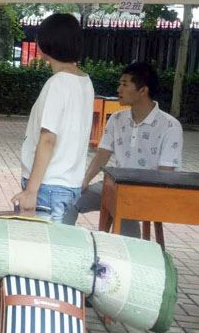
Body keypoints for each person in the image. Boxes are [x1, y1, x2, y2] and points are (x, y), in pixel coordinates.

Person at [64, 62, 183, 235]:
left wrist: (134, 193)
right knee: (69, 199)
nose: (118, 89)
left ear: (143, 90)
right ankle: (65, 246)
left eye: (125, 84)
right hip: (114, 187)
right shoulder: (117, 119)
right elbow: (102, 154)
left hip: (149, 194)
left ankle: (128, 250)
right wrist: (85, 181)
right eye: (120, 83)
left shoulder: (170, 126)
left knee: (123, 207)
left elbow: (166, 174)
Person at [12, 14, 94, 222]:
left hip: (47, 186)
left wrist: (31, 191)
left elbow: (48, 138)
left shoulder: (57, 83)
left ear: (48, 41)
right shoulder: (85, 81)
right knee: (60, 241)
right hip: (69, 184)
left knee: (40, 242)